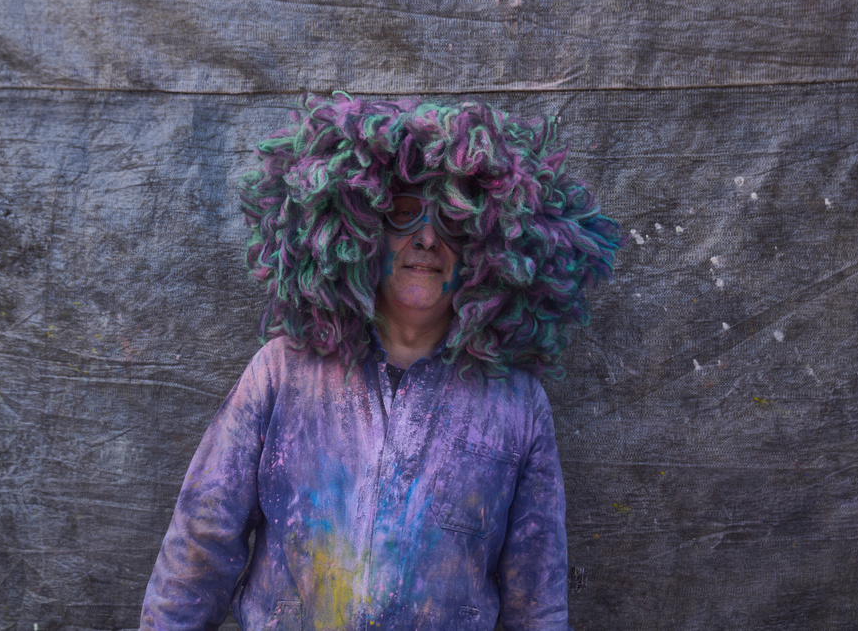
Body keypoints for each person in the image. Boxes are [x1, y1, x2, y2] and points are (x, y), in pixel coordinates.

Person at [140, 93, 622, 630]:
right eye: (404, 212)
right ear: (357, 226)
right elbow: (198, 552)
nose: (427, 237)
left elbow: (538, 606)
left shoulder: (517, 404)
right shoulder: (281, 372)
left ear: (490, 247)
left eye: (454, 220)